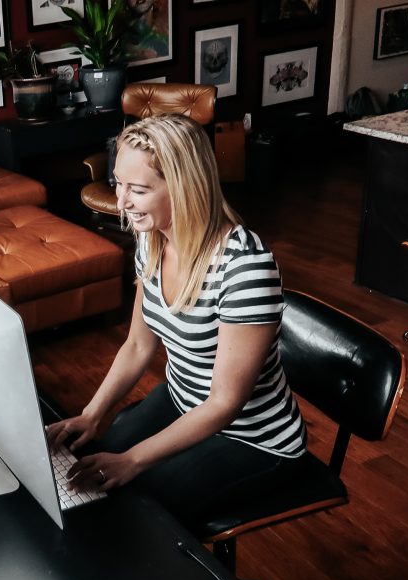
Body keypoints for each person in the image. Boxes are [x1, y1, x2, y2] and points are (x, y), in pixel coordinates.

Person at [45, 114, 307, 527]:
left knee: (139, 509)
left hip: (253, 437)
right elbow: (137, 345)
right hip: (183, 400)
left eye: (139, 189)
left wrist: (133, 460)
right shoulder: (151, 240)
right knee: (93, 468)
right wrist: (91, 414)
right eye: (119, 183)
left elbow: (225, 403)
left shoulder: (245, 267)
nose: (121, 202)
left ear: (184, 187)